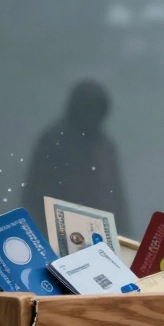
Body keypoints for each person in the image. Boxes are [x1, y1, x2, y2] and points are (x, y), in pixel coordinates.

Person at [20, 79, 130, 231]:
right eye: (88, 109)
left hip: (96, 232)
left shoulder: (105, 146)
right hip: (55, 229)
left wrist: (123, 234)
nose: (91, 115)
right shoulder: (53, 141)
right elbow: (34, 194)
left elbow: (115, 198)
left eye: (96, 110)